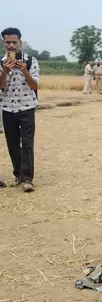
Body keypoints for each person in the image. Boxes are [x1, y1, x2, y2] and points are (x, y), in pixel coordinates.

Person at [0, 27, 41, 193]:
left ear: (20, 42)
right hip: (7, 108)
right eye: (7, 42)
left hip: (26, 107)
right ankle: (18, 175)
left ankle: (27, 179)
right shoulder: (1, 63)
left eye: (14, 42)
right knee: (12, 145)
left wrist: (24, 71)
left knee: (27, 143)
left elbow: (35, 85)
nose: (11, 45)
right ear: (3, 44)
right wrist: (5, 71)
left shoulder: (31, 61)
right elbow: (0, 86)